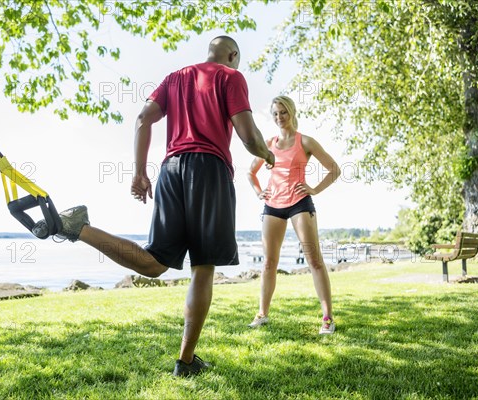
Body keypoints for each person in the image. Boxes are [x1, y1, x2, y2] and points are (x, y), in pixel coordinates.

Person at [33, 36, 274, 376]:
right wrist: (267, 154)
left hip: (171, 170)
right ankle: (185, 362)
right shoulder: (230, 76)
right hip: (209, 169)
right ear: (233, 55)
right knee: (203, 267)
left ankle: (78, 228)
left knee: (155, 263)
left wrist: (139, 171)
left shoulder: (174, 78)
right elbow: (248, 136)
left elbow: (143, 119)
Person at [246, 95, 340, 334]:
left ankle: (327, 318)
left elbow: (334, 169)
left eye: (283, 112)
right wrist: (259, 192)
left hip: (300, 203)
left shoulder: (305, 141)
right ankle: (262, 314)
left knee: (314, 260)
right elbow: (250, 173)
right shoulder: (268, 144)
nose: (279, 117)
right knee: (269, 262)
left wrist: (315, 189)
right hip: (273, 206)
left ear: (292, 112)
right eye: (276, 113)